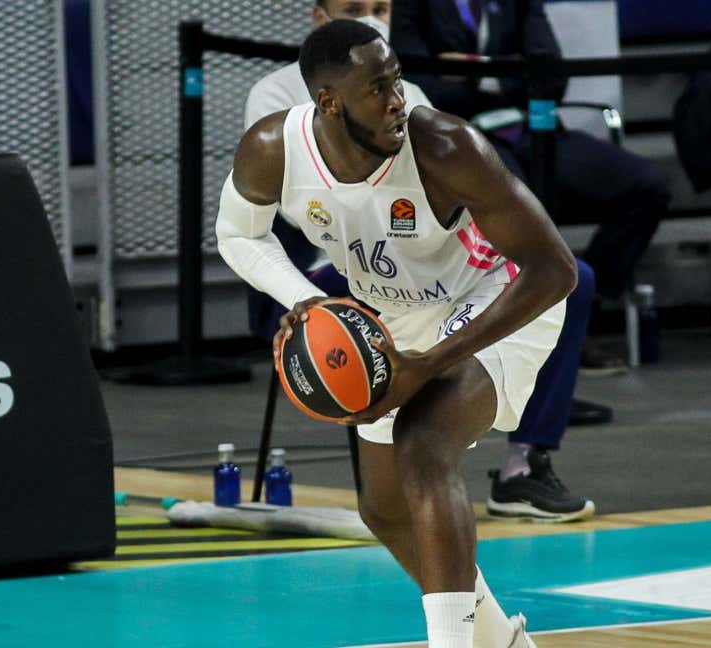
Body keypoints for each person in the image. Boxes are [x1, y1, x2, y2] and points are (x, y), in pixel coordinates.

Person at [217, 19, 576, 648]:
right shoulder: (274, 148)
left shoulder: (445, 147)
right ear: (328, 102)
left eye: (397, 79)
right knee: (382, 508)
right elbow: (238, 235)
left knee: (423, 442)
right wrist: (308, 304)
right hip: (392, 315)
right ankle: (500, 641)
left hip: (499, 296)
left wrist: (432, 360)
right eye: (377, 88)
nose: (397, 101)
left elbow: (556, 269)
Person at [243, 0, 599, 523]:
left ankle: (524, 462)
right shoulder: (273, 100)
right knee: (404, 475)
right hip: (329, 260)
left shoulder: (399, 92)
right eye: (355, 8)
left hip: (422, 252)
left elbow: (438, 180)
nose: (373, 18)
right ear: (322, 18)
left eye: (381, 6)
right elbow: (294, 213)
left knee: (569, 278)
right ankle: (422, 451)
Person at [389, 0, 668, 339]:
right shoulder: (412, 6)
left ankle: (583, 307)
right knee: (516, 200)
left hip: (532, 130)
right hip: (464, 142)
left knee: (648, 185)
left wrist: (472, 73)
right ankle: (519, 326)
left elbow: (550, 75)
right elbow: (419, 87)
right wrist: (505, 72)